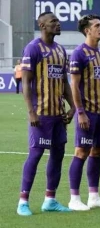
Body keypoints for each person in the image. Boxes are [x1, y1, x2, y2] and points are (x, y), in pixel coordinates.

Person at [17, 12, 75, 216]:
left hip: (59, 115)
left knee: (58, 155)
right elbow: (25, 82)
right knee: (36, 154)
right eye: (53, 22)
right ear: (42, 25)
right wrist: (31, 112)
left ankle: (50, 199)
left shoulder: (60, 50)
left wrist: (73, 107)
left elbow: (64, 83)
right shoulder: (33, 48)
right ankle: (23, 201)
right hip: (41, 114)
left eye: (58, 21)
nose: (57, 24)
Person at [67, 14, 100, 211]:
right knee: (81, 152)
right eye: (97, 25)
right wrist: (80, 112)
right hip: (87, 112)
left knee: (97, 151)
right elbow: (74, 85)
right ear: (87, 30)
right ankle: (74, 198)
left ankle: (94, 196)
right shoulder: (79, 53)